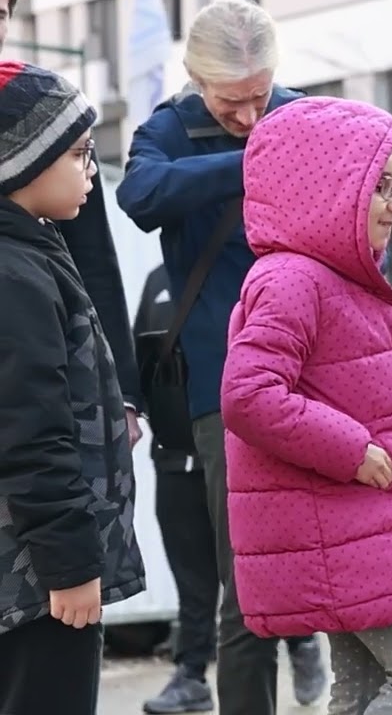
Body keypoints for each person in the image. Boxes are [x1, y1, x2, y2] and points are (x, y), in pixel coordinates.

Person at [115, 1, 325, 712]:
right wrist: (250, 160)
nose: (249, 113)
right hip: (224, 385)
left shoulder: (300, 114)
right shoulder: (168, 130)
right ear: (195, 79)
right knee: (248, 586)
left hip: (317, 370)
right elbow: (138, 195)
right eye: (233, 101)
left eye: (260, 97)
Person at [221, 95, 392, 715]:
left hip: (357, 528)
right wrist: (355, 451)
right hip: (343, 524)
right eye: (381, 186)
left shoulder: (335, 277)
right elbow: (249, 396)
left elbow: (341, 389)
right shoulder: (294, 278)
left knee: (359, 693)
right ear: (328, 188)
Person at [0, 60, 145, 715]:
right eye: (79, 154)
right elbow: (31, 430)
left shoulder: (32, 251)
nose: (91, 170)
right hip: (36, 581)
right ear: (21, 161)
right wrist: (70, 566)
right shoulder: (14, 275)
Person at [3, 0, 145, 451]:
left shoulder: (43, 109)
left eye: (1, 14)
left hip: (47, 383)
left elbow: (94, 262)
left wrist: (121, 392)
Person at [135, 264, 218, 714]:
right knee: (192, 581)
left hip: (230, 453)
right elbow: (138, 356)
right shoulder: (158, 279)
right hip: (172, 457)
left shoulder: (239, 262)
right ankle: (191, 674)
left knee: (248, 574)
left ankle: (301, 642)